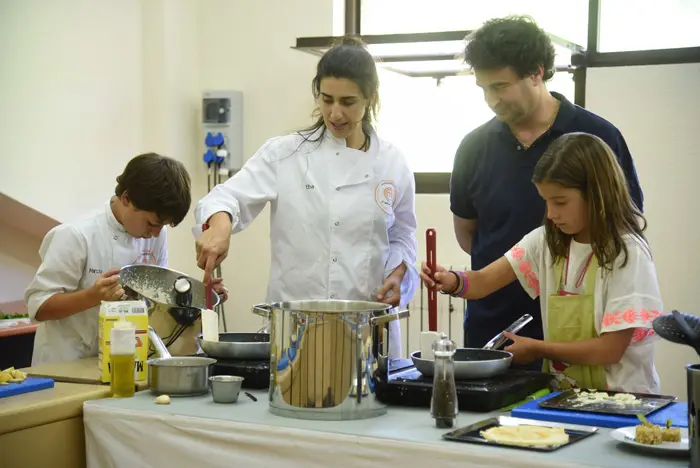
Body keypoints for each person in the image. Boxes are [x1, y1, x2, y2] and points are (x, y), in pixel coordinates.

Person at [194, 37, 418, 357]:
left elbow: (403, 236)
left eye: (348, 101)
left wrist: (399, 272)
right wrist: (219, 227)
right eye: (327, 99)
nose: (335, 113)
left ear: (370, 98)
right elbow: (225, 197)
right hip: (294, 332)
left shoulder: (392, 164)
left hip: (368, 334)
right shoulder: (286, 154)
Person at [450, 16, 644, 359]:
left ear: (537, 72)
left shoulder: (598, 138)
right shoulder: (473, 147)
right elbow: (468, 234)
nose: (491, 100)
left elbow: (623, 224)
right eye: (483, 89)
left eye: (500, 86)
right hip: (493, 326)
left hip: (583, 332)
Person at [423, 132, 662, 393]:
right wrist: (451, 280)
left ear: (597, 194)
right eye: (545, 201)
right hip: (566, 398)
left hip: (624, 402)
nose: (551, 213)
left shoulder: (627, 253)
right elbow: (483, 282)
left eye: (560, 202)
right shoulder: (547, 241)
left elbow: (610, 349)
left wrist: (538, 348)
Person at [24, 153, 224, 365]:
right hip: (67, 362)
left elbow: (157, 300)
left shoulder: (155, 235)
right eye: (151, 223)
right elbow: (38, 307)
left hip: (126, 358)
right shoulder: (75, 235)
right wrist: (92, 296)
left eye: (162, 226)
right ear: (127, 199)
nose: (156, 234)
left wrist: (199, 296)